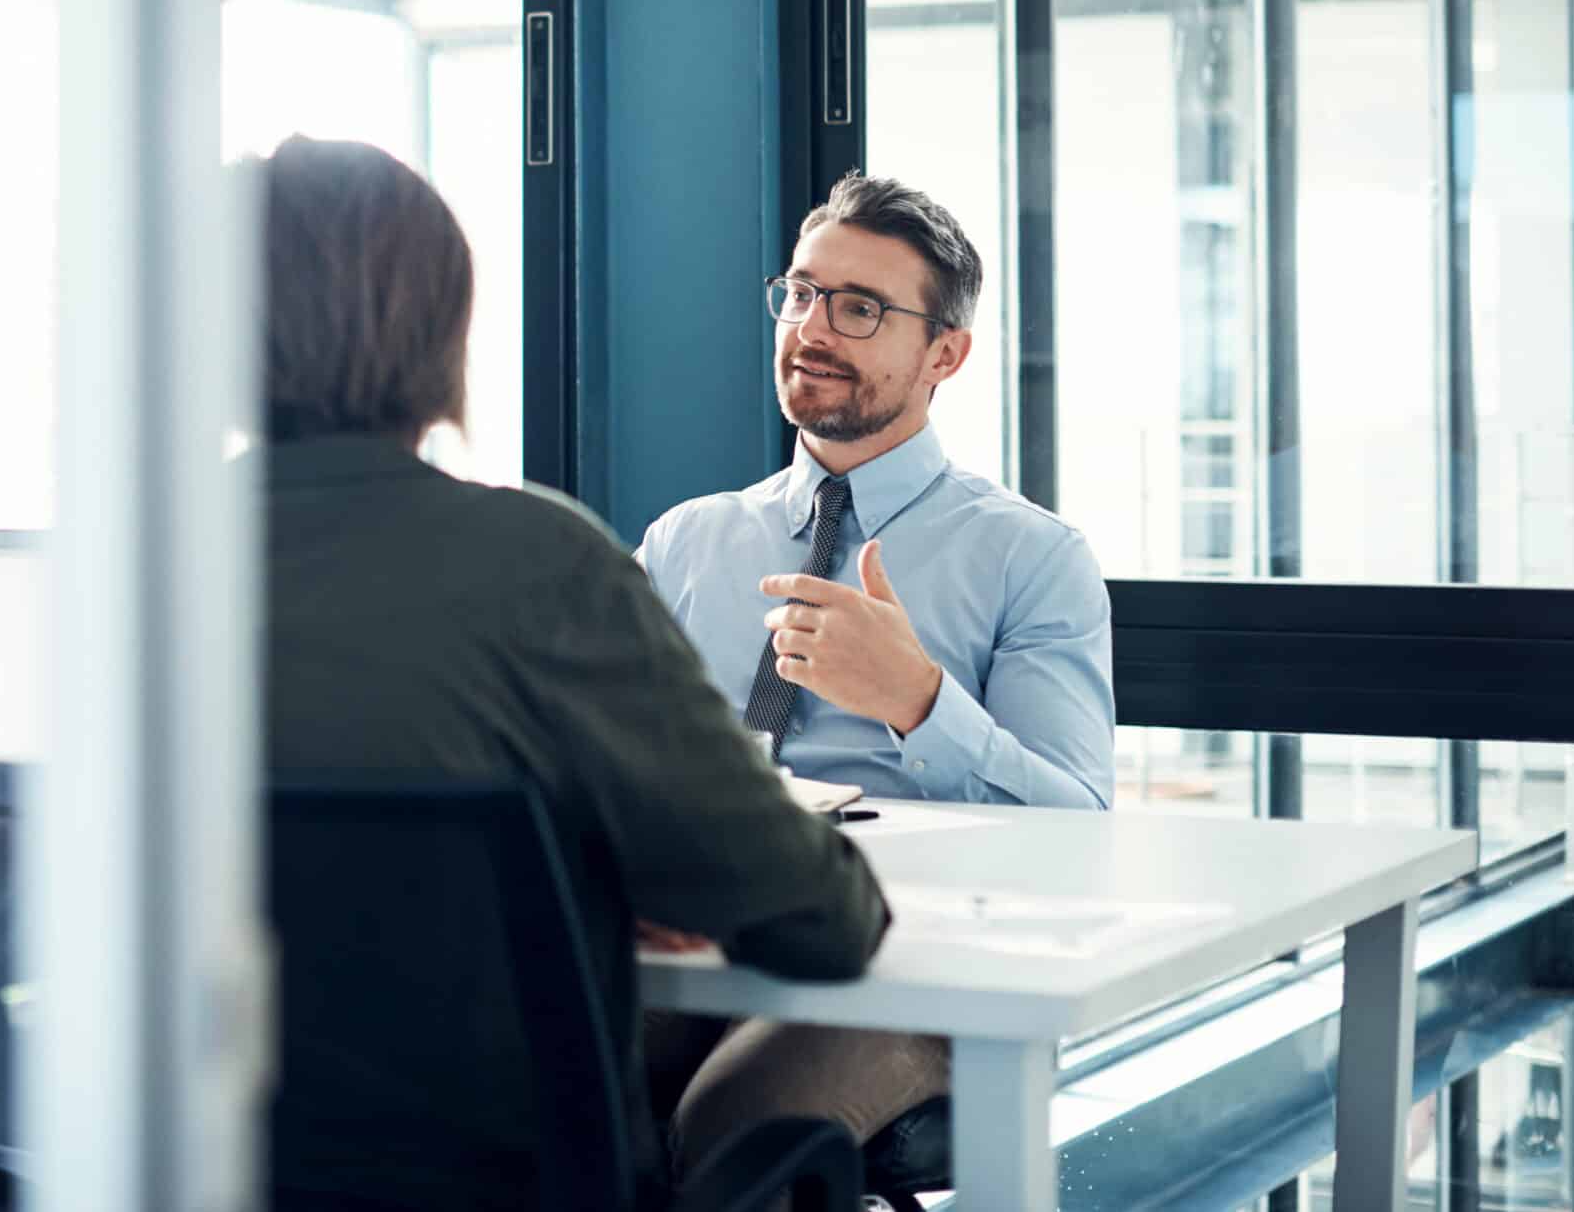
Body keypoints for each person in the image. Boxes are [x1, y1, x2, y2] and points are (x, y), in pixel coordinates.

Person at [255, 134, 889, 1211]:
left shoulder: (122, 584)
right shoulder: (531, 565)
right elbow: (819, 919)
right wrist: (612, 876)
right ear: (439, 334)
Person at [636, 171, 1115, 1177]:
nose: (812, 327)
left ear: (945, 353)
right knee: (541, 1071)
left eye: (859, 307)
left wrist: (917, 701)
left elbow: (1079, 829)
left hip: (921, 966)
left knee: (735, 1123)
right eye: (802, 292)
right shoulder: (687, 541)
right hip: (709, 933)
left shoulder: (1031, 557)